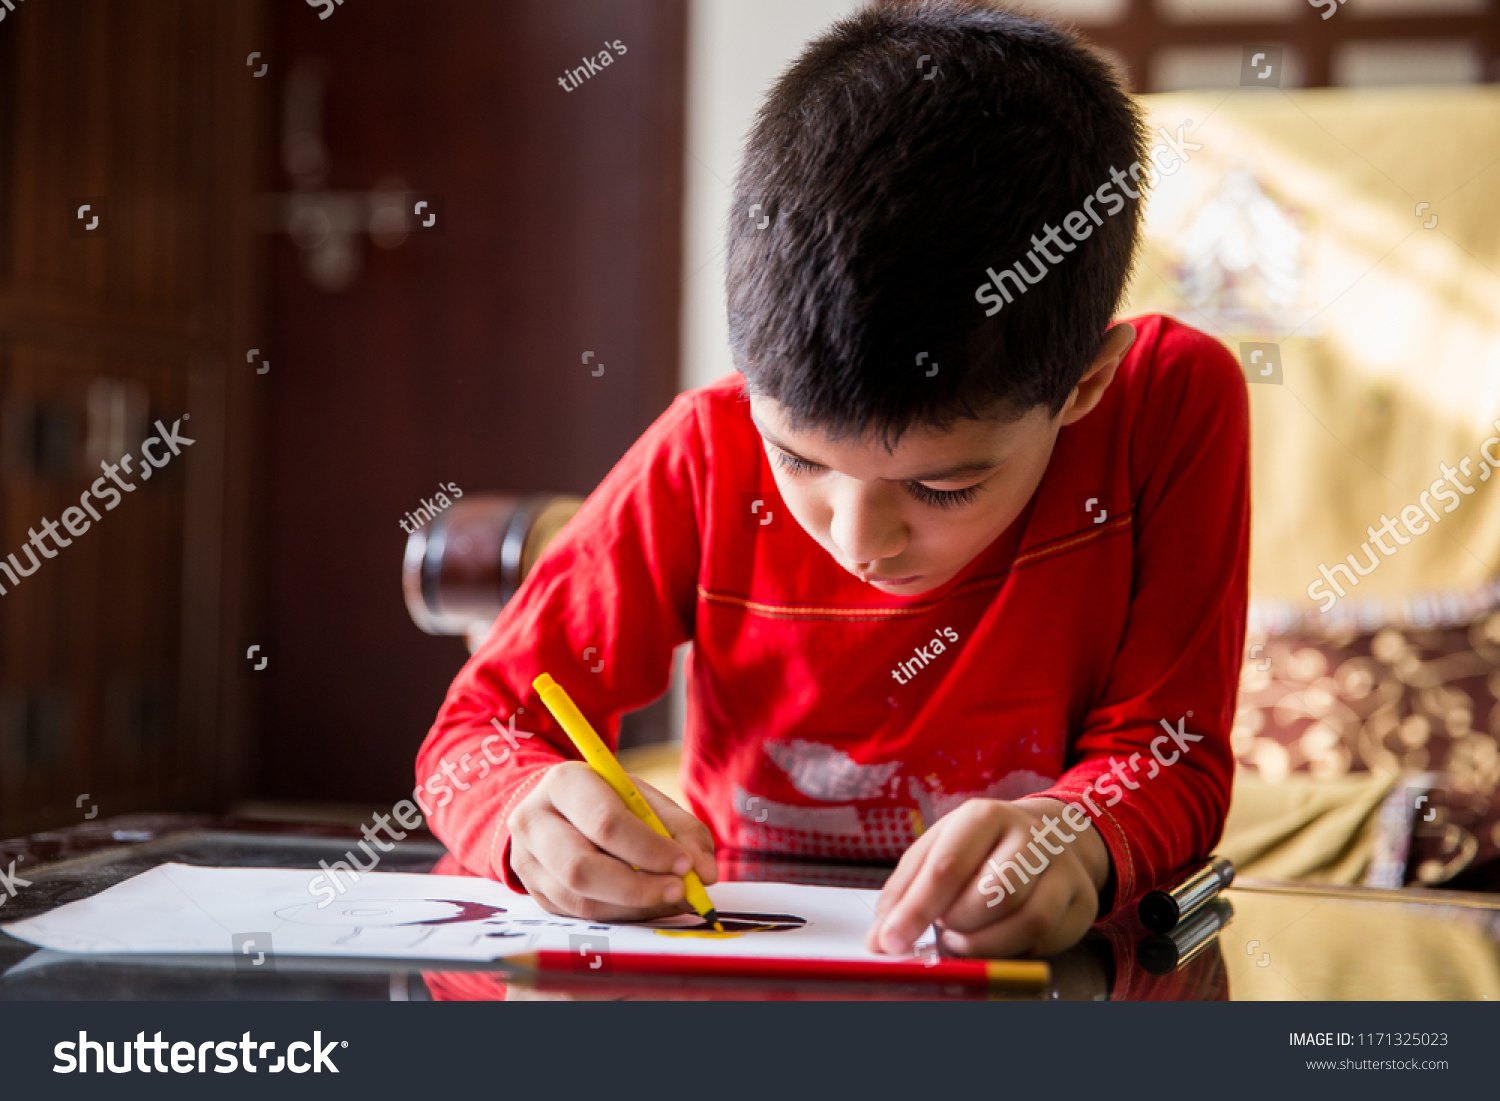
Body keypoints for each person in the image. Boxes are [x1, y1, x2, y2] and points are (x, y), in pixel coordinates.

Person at [416, 0, 1248, 958]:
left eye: (942, 488)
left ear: (1082, 386)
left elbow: (1170, 752)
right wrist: (524, 812)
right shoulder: (708, 445)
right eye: (800, 461)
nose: (859, 540)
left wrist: (1079, 838)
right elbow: (471, 733)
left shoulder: (1164, 409)